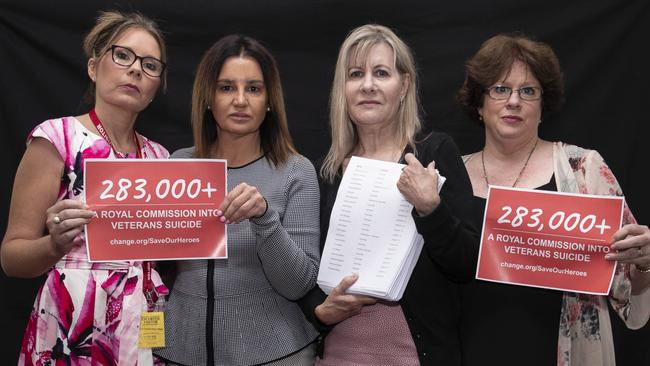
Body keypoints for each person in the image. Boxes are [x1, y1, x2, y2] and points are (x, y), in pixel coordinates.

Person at [456, 33, 650, 366]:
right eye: (500, 89)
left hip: (558, 351)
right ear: (479, 103)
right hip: (462, 349)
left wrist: (644, 262)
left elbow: (629, 292)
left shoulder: (582, 169)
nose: (514, 101)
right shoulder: (447, 177)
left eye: (528, 91)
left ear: (543, 105)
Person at [298, 24, 480, 365]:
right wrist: (319, 311)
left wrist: (431, 209)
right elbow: (303, 269)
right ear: (343, 88)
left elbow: (467, 264)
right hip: (338, 356)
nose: (368, 85)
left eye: (381, 73)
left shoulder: (434, 154)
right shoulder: (327, 172)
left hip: (414, 356)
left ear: (404, 85)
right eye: (356, 74)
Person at [0, 10, 170, 365]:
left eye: (151, 65)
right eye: (123, 55)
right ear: (94, 68)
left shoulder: (159, 157)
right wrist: (53, 243)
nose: (136, 69)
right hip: (71, 324)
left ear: (156, 89)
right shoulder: (56, 138)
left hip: (142, 325)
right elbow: (11, 258)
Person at [154, 35, 320, 365]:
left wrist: (265, 218)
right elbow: (152, 259)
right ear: (207, 98)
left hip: (277, 354)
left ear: (270, 100)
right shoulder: (177, 165)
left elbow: (299, 284)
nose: (240, 100)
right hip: (178, 351)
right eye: (227, 87)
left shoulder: (295, 171)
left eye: (254, 89)